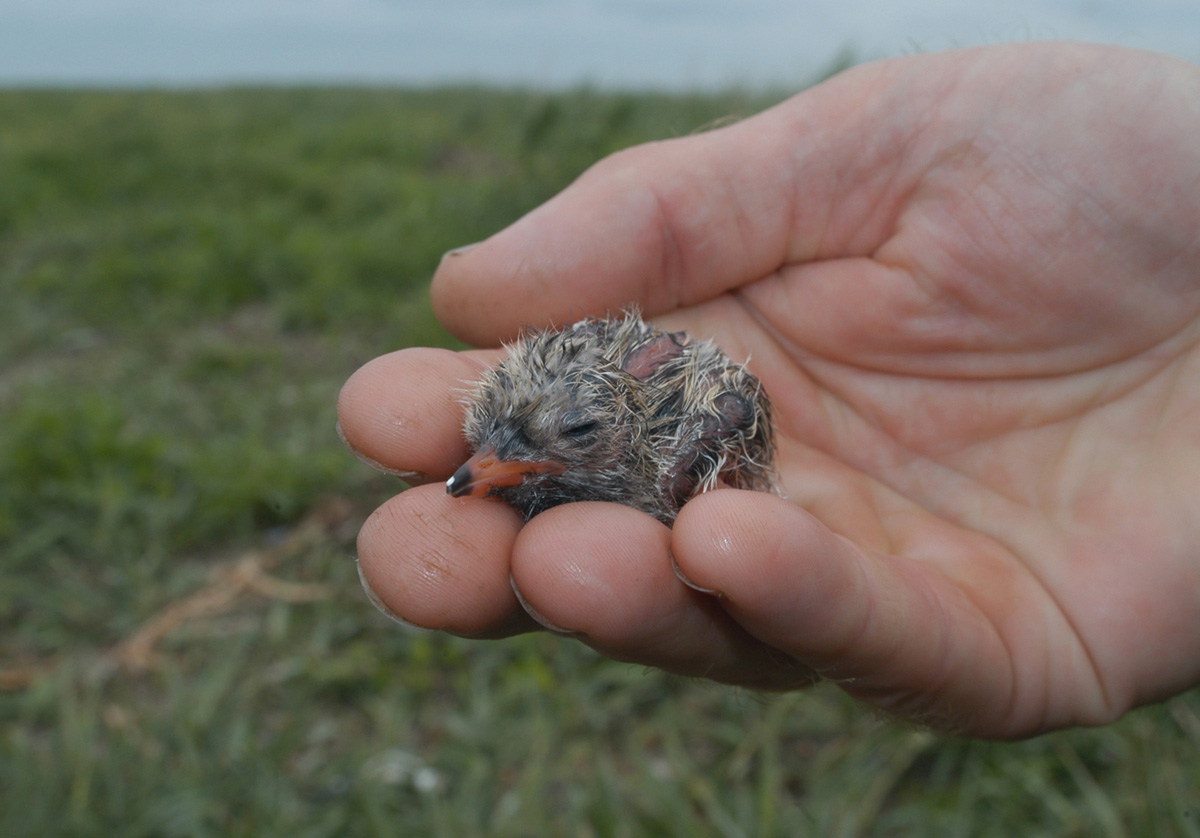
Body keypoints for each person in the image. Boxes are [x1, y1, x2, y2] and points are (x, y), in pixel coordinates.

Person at [337, 41, 1200, 739]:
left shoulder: (685, 450)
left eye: (534, 450)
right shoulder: (529, 405)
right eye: (491, 448)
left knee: (680, 536)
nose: (485, 468)